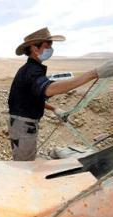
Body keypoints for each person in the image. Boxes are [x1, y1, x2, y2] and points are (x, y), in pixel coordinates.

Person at [8, 27, 113, 161]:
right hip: (23, 127)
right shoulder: (32, 71)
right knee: (24, 165)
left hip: (23, 125)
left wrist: (54, 109)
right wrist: (94, 73)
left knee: (26, 159)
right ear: (35, 49)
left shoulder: (31, 69)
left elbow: (30, 98)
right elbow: (50, 89)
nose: (51, 49)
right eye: (47, 46)